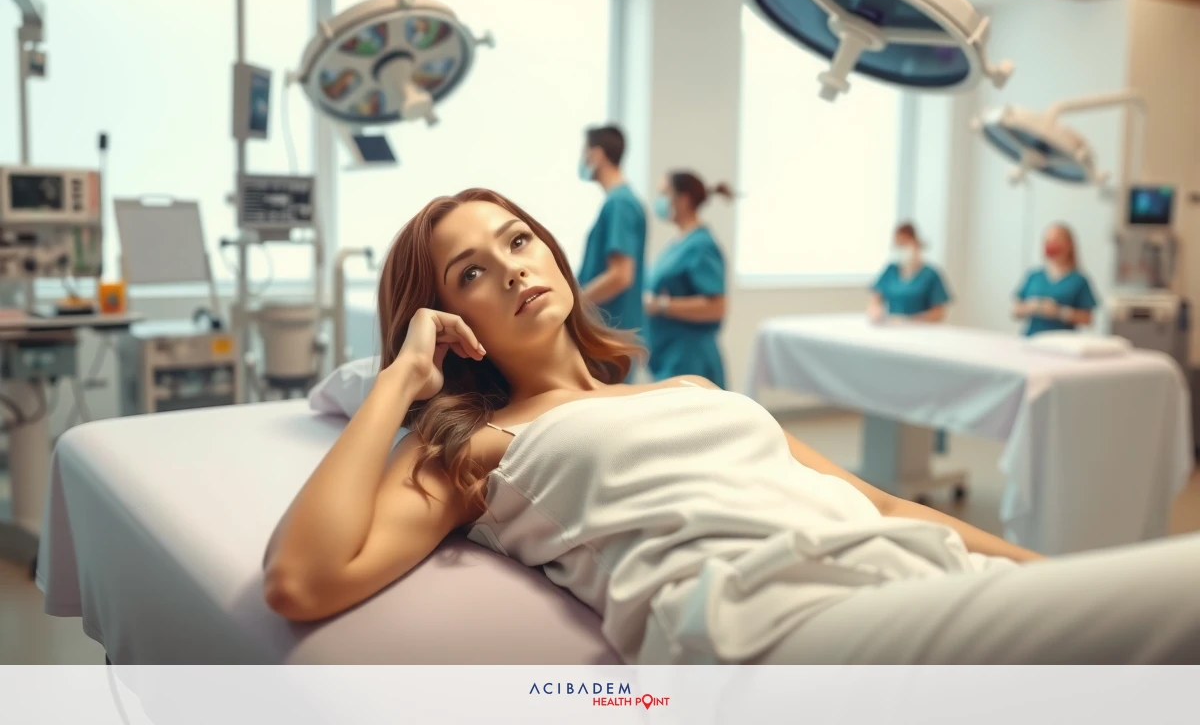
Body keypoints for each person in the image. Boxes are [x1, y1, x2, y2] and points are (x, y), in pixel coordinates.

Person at [262, 188, 1200, 664]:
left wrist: (1050, 575)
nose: (510, 268)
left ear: (551, 247)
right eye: (469, 272)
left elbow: (868, 498)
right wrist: (398, 380)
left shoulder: (688, 395)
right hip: (787, 638)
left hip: (913, 584)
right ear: (451, 322)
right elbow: (302, 577)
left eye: (516, 240)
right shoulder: (484, 446)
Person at [643, 171, 731, 389]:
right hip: (670, 356)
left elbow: (716, 307)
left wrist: (661, 305)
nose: (659, 201)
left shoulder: (701, 246)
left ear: (683, 200)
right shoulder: (679, 243)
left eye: (664, 193)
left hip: (691, 358)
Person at [576, 126, 647, 375]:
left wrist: (574, 304)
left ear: (597, 154)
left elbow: (620, 275)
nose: (582, 159)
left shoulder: (620, 204)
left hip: (612, 333)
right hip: (613, 334)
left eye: (584, 152)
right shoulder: (620, 202)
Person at [1013, 223, 1098, 336]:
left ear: (1069, 244)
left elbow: (1088, 319)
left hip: (1063, 342)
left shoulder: (1079, 280)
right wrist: (1032, 306)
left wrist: (1060, 312)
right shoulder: (1034, 276)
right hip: (1032, 340)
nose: (1051, 245)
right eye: (1047, 241)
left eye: (1056, 241)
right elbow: (1015, 310)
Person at [868, 222, 952, 324]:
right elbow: (875, 299)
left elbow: (938, 313)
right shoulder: (890, 270)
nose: (900, 249)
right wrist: (876, 312)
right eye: (897, 245)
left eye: (903, 244)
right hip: (893, 328)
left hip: (922, 331)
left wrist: (909, 320)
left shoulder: (931, 274)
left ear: (916, 244)